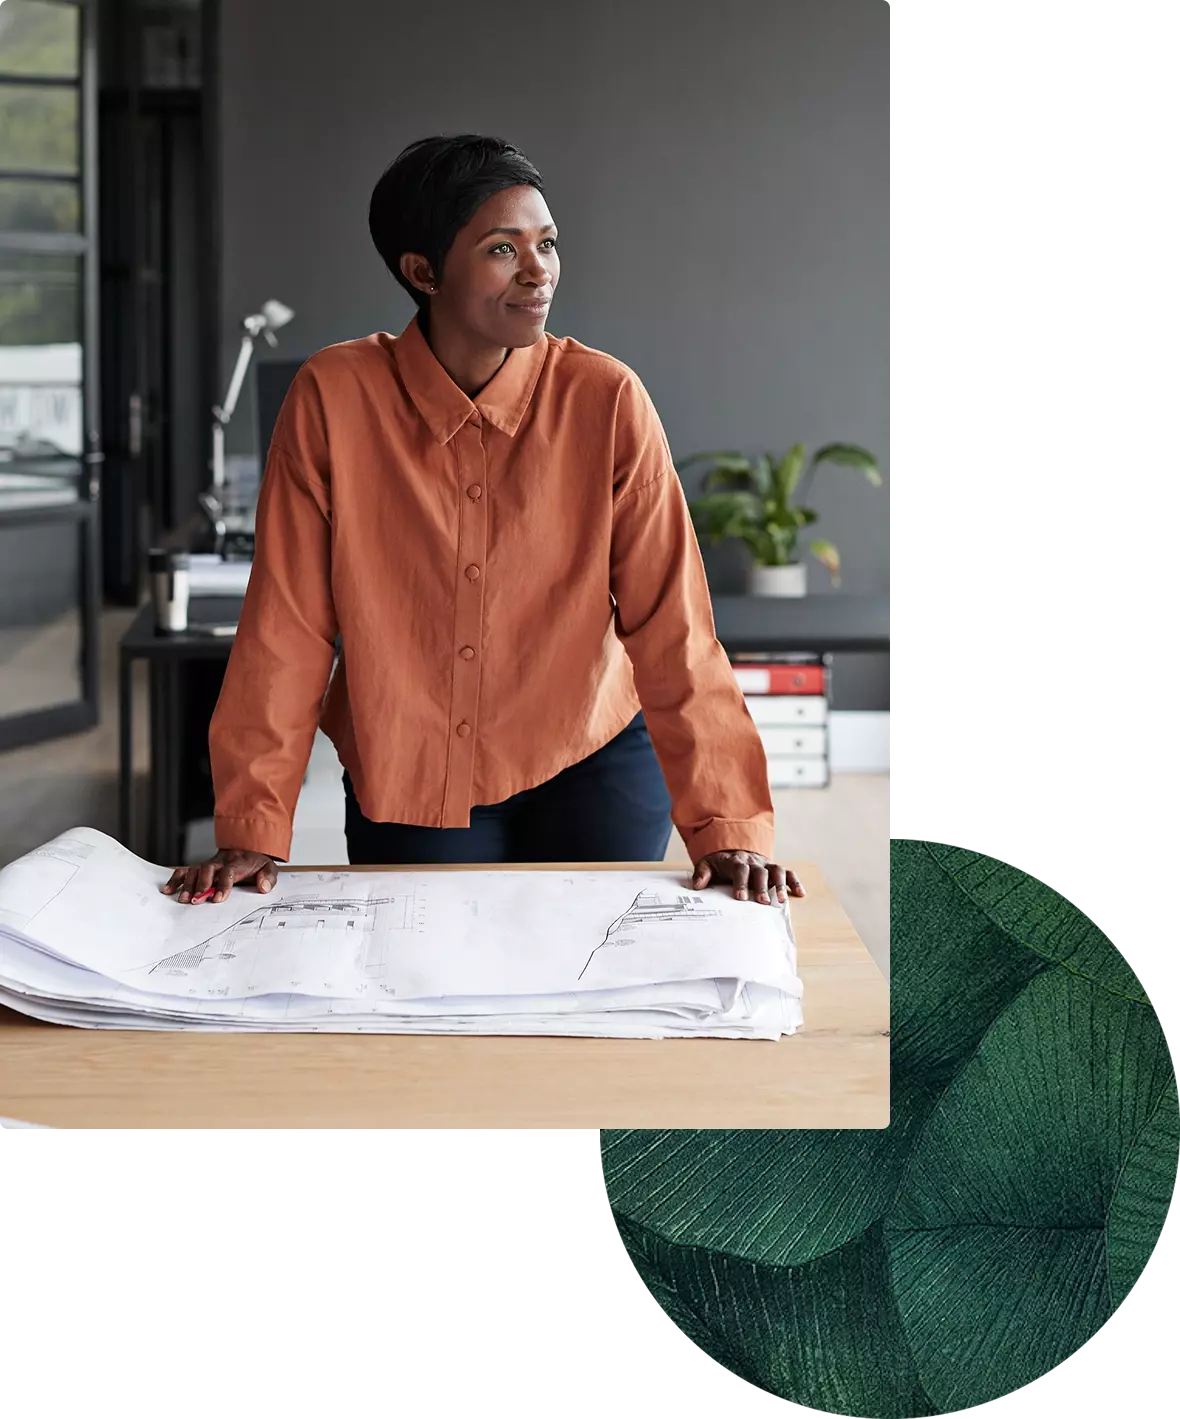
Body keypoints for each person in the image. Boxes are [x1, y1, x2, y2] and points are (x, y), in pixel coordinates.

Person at [163, 134, 804, 910]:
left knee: (588, 992)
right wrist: (252, 825)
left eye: (548, 243)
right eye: (504, 248)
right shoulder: (332, 398)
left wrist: (727, 821)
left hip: (591, 753)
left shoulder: (606, 400)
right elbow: (288, 622)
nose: (540, 272)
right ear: (422, 271)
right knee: (426, 993)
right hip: (409, 764)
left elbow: (675, 626)